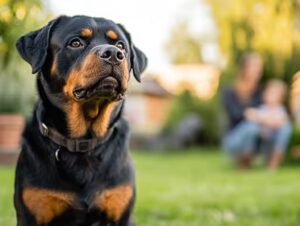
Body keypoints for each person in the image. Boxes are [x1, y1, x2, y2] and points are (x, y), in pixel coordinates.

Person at [222, 52, 263, 169]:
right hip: (233, 140)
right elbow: (235, 114)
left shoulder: (260, 93)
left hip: (256, 134)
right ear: (244, 68)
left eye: (260, 67)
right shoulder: (229, 92)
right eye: (255, 66)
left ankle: (272, 163)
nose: (258, 70)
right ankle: (243, 163)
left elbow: (264, 113)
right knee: (252, 126)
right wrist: (253, 115)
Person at [244, 80, 292, 169]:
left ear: (281, 98)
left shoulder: (280, 110)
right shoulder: (262, 108)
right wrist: (268, 120)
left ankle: (274, 163)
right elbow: (249, 115)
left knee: (285, 129)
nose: (270, 96)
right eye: (269, 93)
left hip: (274, 140)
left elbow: (283, 121)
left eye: (274, 94)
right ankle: (246, 162)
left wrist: (264, 119)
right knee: (251, 129)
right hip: (262, 140)